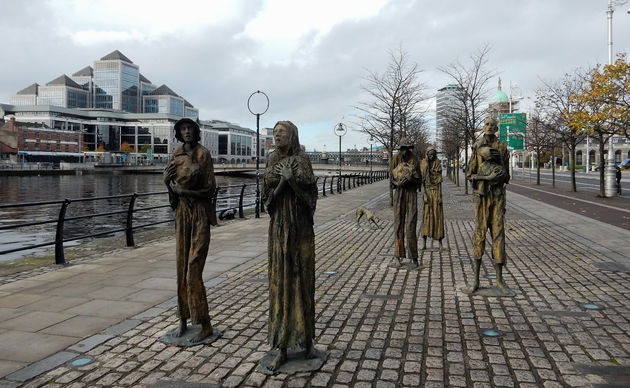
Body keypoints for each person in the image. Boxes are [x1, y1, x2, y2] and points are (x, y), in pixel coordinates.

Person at [262, 121, 318, 371]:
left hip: (301, 229)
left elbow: (309, 198)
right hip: (279, 228)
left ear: (292, 135)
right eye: (274, 133)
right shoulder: (272, 158)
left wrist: (291, 182)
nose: (276, 136)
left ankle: (307, 342)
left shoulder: (303, 159)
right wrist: (284, 182)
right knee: (280, 283)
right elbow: (267, 200)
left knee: (302, 280)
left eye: (281, 133)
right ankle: (281, 345)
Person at [163, 118, 216, 342]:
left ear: (196, 132)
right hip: (183, 214)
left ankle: (204, 324)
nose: (186, 132)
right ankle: (183, 320)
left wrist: (185, 192)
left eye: (190, 129)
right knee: (181, 265)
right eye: (183, 129)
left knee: (193, 268)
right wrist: (168, 183)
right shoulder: (175, 154)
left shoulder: (203, 154)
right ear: (178, 133)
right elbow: (173, 190)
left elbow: (210, 189)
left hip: (200, 213)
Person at [466, 117, 511, 294]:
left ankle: (500, 280)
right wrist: (486, 177)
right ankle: (475, 280)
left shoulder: (503, 147)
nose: (490, 127)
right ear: (483, 127)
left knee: (499, 233)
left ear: (497, 128)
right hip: (481, 197)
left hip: (498, 197)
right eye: (487, 125)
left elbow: (507, 176)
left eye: (493, 125)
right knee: (479, 233)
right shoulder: (477, 146)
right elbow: (470, 174)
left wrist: (498, 169)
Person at [391, 137, 422, 267]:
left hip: (411, 193)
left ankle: (414, 257)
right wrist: (397, 182)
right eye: (402, 149)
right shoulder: (395, 159)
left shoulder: (414, 159)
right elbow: (391, 178)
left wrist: (411, 179)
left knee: (411, 225)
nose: (404, 152)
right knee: (398, 224)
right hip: (399, 193)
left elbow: (420, 180)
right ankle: (398, 256)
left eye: (406, 149)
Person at [420, 146, 444, 250]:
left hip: (436, 191)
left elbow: (439, 183)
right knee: (426, 216)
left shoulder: (437, 163)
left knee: (437, 216)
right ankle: (424, 242)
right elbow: (422, 181)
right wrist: (424, 195)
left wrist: (439, 196)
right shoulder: (423, 163)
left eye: (433, 154)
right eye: (429, 154)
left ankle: (440, 242)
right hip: (427, 191)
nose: (431, 156)